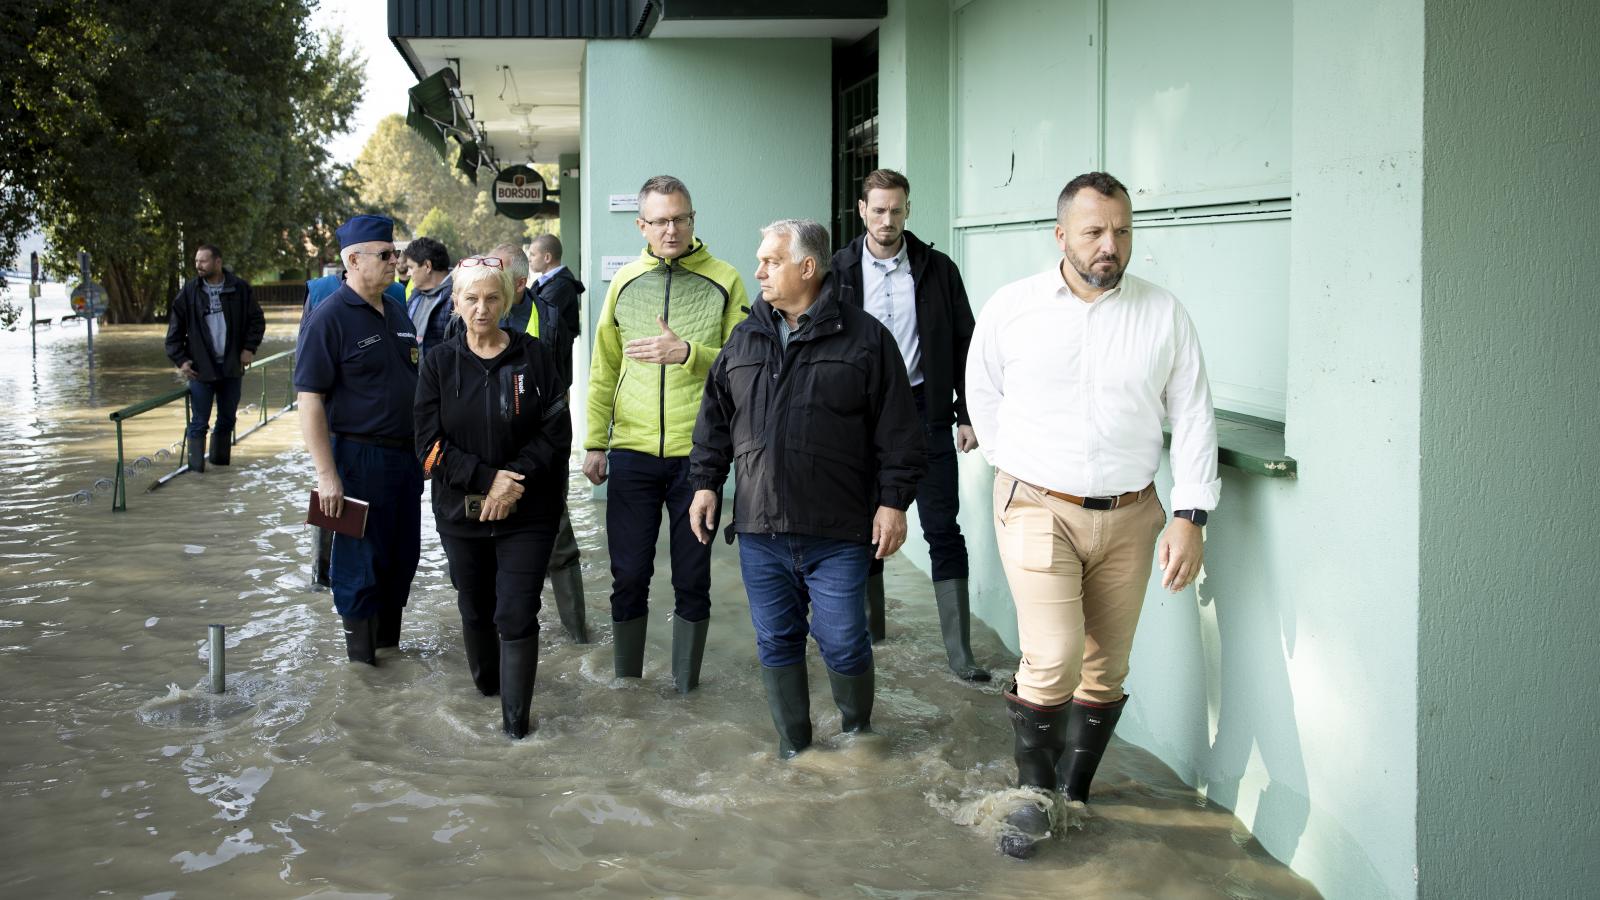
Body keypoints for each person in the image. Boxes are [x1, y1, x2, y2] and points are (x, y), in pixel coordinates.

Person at [964, 172, 1219, 858]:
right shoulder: (1013, 307)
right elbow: (982, 389)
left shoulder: (1163, 314)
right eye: (1095, 232)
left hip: (1133, 513)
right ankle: (1032, 800)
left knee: (1107, 667)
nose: (1111, 246)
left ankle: (1075, 792)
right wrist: (1010, 465)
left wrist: (1190, 514)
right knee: (1053, 655)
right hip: (1038, 505)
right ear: (1061, 236)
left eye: (1122, 231)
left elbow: (1194, 418)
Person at [688, 218, 925, 758]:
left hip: (838, 531)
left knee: (843, 641)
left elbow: (899, 433)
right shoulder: (745, 336)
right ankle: (795, 753)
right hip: (759, 529)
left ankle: (858, 739)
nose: (759, 271)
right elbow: (715, 419)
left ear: (808, 268)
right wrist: (705, 484)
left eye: (771, 261)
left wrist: (892, 503)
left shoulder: (866, 339)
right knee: (776, 642)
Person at [585, 175, 749, 692]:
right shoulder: (625, 281)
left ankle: (685, 691)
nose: (671, 229)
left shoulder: (726, 279)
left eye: (681, 218)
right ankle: (626, 689)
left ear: (693, 219)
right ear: (642, 225)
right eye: (660, 221)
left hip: (697, 458)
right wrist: (594, 441)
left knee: (692, 581)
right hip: (631, 451)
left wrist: (688, 354)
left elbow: (747, 364)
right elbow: (604, 367)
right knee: (629, 577)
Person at [831, 168, 988, 682]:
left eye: (896, 210)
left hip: (927, 411)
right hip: (860, 416)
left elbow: (967, 345)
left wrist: (969, 413)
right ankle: (871, 635)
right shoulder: (838, 272)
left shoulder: (938, 269)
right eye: (878, 209)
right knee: (861, 526)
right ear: (862, 210)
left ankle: (960, 655)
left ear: (908, 210)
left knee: (944, 527)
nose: (887, 220)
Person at [415, 255, 571, 738]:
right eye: (471, 298)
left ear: (506, 300)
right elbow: (426, 445)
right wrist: (486, 480)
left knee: (517, 609)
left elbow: (556, 433)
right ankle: (487, 690)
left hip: (530, 509)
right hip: (461, 510)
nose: (482, 308)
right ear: (456, 303)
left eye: (491, 298)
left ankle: (516, 727)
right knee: (476, 607)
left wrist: (511, 481)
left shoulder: (537, 356)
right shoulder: (439, 362)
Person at [293, 215, 424, 665]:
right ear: (352, 260)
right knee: (358, 565)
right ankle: (363, 671)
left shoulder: (398, 307)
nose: (396, 262)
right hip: (355, 459)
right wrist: (326, 475)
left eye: (396, 254)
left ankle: (388, 669)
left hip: (404, 461)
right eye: (385, 255)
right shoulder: (329, 318)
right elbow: (309, 400)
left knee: (401, 557)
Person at [483, 241, 589, 645]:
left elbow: (560, 393)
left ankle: (578, 637)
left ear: (521, 282)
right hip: (488, 457)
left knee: (559, 543)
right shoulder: (473, 314)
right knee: (487, 541)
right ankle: (500, 633)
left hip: (541, 455)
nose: (488, 288)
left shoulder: (549, 319)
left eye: (499, 277)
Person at [165, 243, 265, 473]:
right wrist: (181, 360)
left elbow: (257, 321)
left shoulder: (239, 288)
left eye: (203, 261)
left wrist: (249, 348)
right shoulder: (189, 292)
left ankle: (220, 472)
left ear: (217, 262)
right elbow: (173, 333)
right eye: (196, 261)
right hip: (201, 370)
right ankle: (196, 475)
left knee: (227, 420)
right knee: (199, 423)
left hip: (231, 367)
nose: (198, 265)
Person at [527, 234, 585, 386]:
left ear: (547, 257)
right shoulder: (546, 282)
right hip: (549, 364)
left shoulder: (561, 285)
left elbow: (537, 313)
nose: (529, 259)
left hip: (555, 369)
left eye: (533, 254)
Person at [404, 237, 453, 358]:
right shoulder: (415, 295)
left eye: (411, 267)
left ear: (427, 266)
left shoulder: (457, 297)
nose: (408, 273)